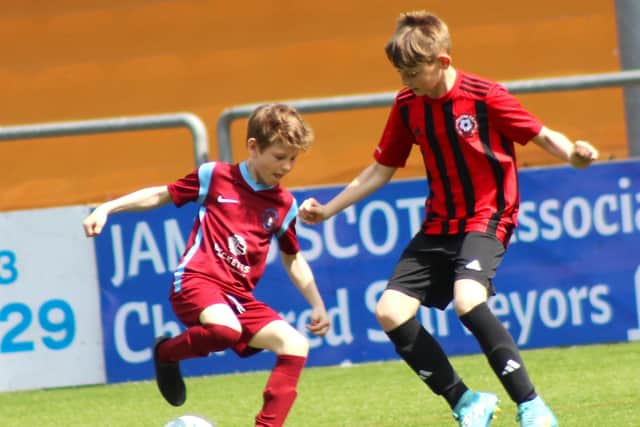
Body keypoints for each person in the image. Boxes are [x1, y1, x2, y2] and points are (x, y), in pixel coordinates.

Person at [299, 11, 598, 427]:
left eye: (413, 73)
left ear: (441, 61)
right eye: (400, 74)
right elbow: (379, 169)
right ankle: (466, 401)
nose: (406, 82)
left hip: (489, 215)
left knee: (467, 300)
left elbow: (542, 134)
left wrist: (574, 156)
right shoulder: (407, 105)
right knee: (389, 311)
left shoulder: (484, 96)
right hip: (440, 223)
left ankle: (530, 405)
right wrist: (329, 209)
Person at [83, 103, 330, 427]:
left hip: (238, 298)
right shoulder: (216, 176)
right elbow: (162, 194)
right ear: (253, 147)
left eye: (293, 159)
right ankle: (167, 353)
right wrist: (108, 208)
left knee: (295, 344)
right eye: (279, 156)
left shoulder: (284, 204)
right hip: (196, 281)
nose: (286, 166)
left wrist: (317, 303)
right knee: (227, 330)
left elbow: (293, 257)